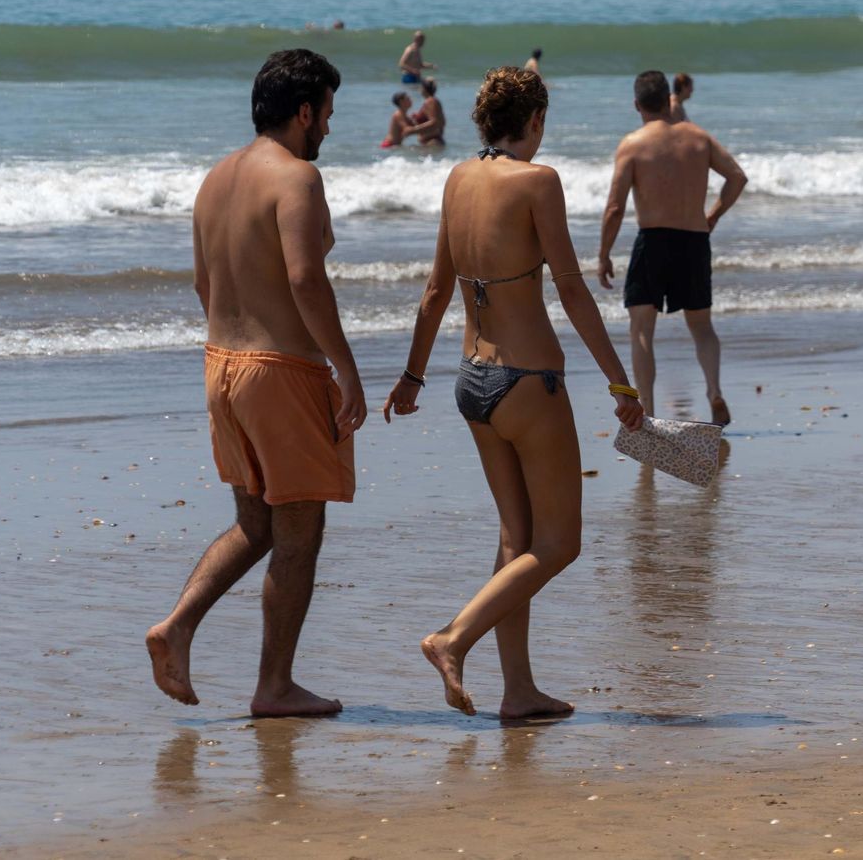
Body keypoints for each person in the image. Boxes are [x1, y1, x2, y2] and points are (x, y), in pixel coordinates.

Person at [383, 66, 644, 719]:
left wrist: (413, 377)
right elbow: (574, 290)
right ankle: (452, 639)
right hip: (528, 383)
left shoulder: (457, 179)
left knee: (515, 535)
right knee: (559, 544)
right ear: (535, 121)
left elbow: (435, 292)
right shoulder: (537, 182)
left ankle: (519, 689)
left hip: (471, 382)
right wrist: (620, 380)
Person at [145, 49, 365, 717]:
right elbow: (305, 279)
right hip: (281, 372)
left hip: (221, 366)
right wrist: (347, 369)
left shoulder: (215, 179)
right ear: (303, 112)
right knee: (299, 530)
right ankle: (274, 687)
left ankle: (177, 625)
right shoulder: (296, 178)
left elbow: (203, 284)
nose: (327, 128)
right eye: (326, 114)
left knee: (254, 522)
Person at [598, 70, 746, 425]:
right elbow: (737, 178)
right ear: (668, 101)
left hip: (653, 241)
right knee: (702, 327)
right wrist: (713, 215)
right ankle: (713, 389)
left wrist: (603, 254)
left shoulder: (632, 144)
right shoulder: (698, 138)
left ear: (637, 105)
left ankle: (647, 410)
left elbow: (615, 207)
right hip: (694, 239)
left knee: (641, 329)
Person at [406, 78, 446, 146]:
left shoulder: (430, 101)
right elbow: (441, 121)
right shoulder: (434, 101)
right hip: (430, 142)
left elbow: (434, 122)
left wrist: (412, 131)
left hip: (432, 142)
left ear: (424, 89)